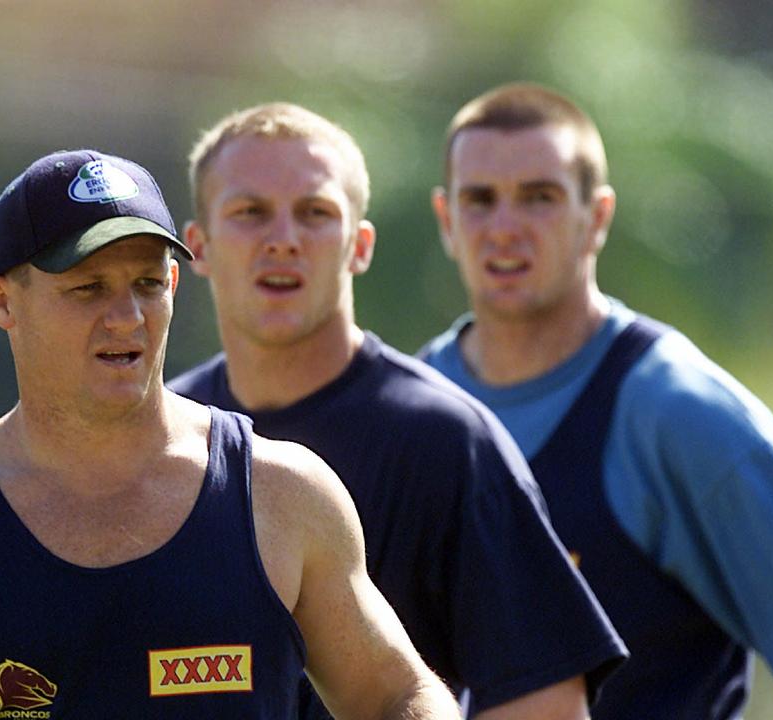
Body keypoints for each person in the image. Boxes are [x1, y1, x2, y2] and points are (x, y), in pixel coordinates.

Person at [0, 148, 465, 719]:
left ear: (175, 283)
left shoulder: (283, 496)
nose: (125, 318)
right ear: (0, 301)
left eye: (147, 285)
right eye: (88, 288)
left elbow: (398, 695)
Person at [419, 82, 773, 719]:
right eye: (480, 199)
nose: (505, 227)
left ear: (595, 217)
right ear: (446, 219)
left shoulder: (669, 407)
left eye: (539, 198)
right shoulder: (416, 403)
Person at [169, 103, 626, 720]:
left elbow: (544, 702)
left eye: (315, 213)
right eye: (250, 213)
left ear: (359, 245)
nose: (283, 239)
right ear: (197, 246)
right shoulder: (165, 434)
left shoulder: (444, 440)